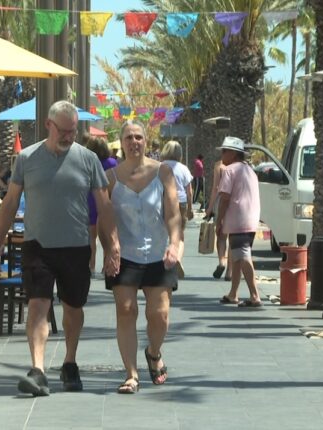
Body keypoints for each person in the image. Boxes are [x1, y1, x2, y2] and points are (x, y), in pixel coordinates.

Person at [0, 100, 120, 397]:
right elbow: (9, 204)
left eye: (73, 131)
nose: (69, 136)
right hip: (37, 246)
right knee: (38, 305)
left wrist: (113, 246)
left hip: (75, 247)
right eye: (63, 130)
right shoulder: (27, 158)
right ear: (49, 125)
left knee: (73, 308)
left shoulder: (88, 160)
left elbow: (104, 205)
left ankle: (69, 362)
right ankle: (38, 370)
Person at [105, 120, 181, 394]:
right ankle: (131, 374)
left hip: (159, 254)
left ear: (146, 141)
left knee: (158, 314)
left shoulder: (163, 172)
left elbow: (173, 214)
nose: (134, 142)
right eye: (128, 137)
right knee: (126, 311)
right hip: (124, 254)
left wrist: (175, 243)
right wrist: (109, 246)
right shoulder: (111, 177)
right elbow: (105, 217)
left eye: (138, 137)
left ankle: (153, 351)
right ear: (121, 142)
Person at [214, 137, 261, 307]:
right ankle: (233, 293)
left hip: (238, 219)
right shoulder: (250, 171)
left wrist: (219, 221)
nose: (222, 155)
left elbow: (225, 198)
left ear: (233, 154)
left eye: (224, 151)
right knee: (236, 257)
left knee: (243, 255)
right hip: (251, 219)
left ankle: (255, 295)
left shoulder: (230, 171)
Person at [85, 134, 117, 273]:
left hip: (90, 198)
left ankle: (91, 266)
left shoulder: (88, 161)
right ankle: (106, 264)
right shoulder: (112, 163)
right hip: (107, 199)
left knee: (91, 237)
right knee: (107, 234)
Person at [160, 140, 193, 278]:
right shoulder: (183, 168)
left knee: (162, 231)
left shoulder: (160, 166)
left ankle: (163, 260)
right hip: (181, 202)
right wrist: (190, 208)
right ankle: (177, 258)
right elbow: (189, 191)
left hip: (164, 201)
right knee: (179, 234)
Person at [205, 158, 231, 280]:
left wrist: (210, 208)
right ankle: (230, 272)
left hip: (221, 200)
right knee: (232, 238)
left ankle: (222, 262)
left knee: (221, 236)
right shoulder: (238, 166)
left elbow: (215, 189)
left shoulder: (219, 166)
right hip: (234, 201)